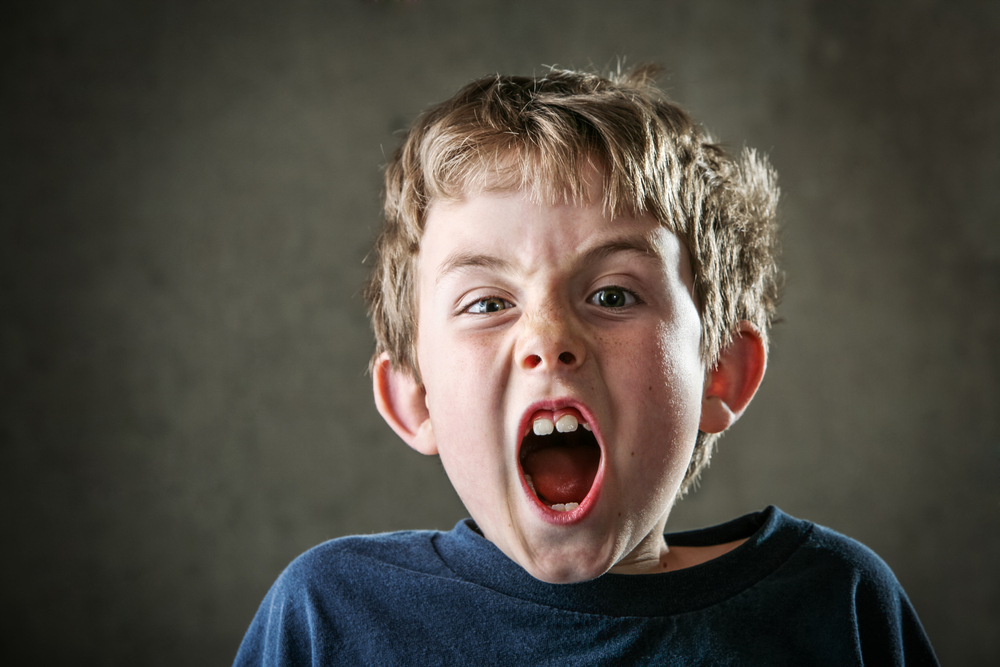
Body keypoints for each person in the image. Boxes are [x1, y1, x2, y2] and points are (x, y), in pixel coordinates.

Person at [233, 66, 939, 665]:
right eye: (486, 303)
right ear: (414, 398)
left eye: (611, 294)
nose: (549, 337)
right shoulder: (330, 617)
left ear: (722, 370)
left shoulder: (837, 604)